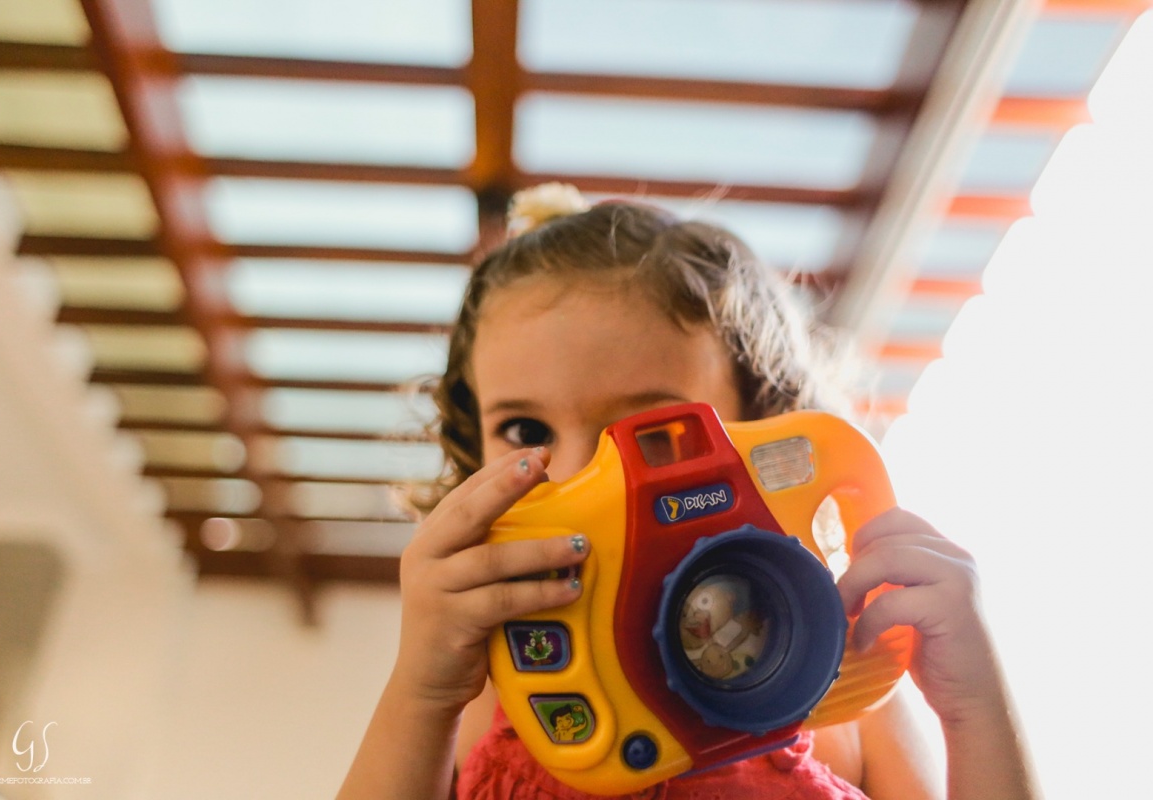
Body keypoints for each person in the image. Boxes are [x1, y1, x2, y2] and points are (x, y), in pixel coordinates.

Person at [337, 184, 1041, 800]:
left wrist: (973, 708)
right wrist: (422, 691)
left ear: (759, 431)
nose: (580, 470)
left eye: (644, 427)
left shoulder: (848, 668)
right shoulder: (490, 681)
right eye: (525, 429)